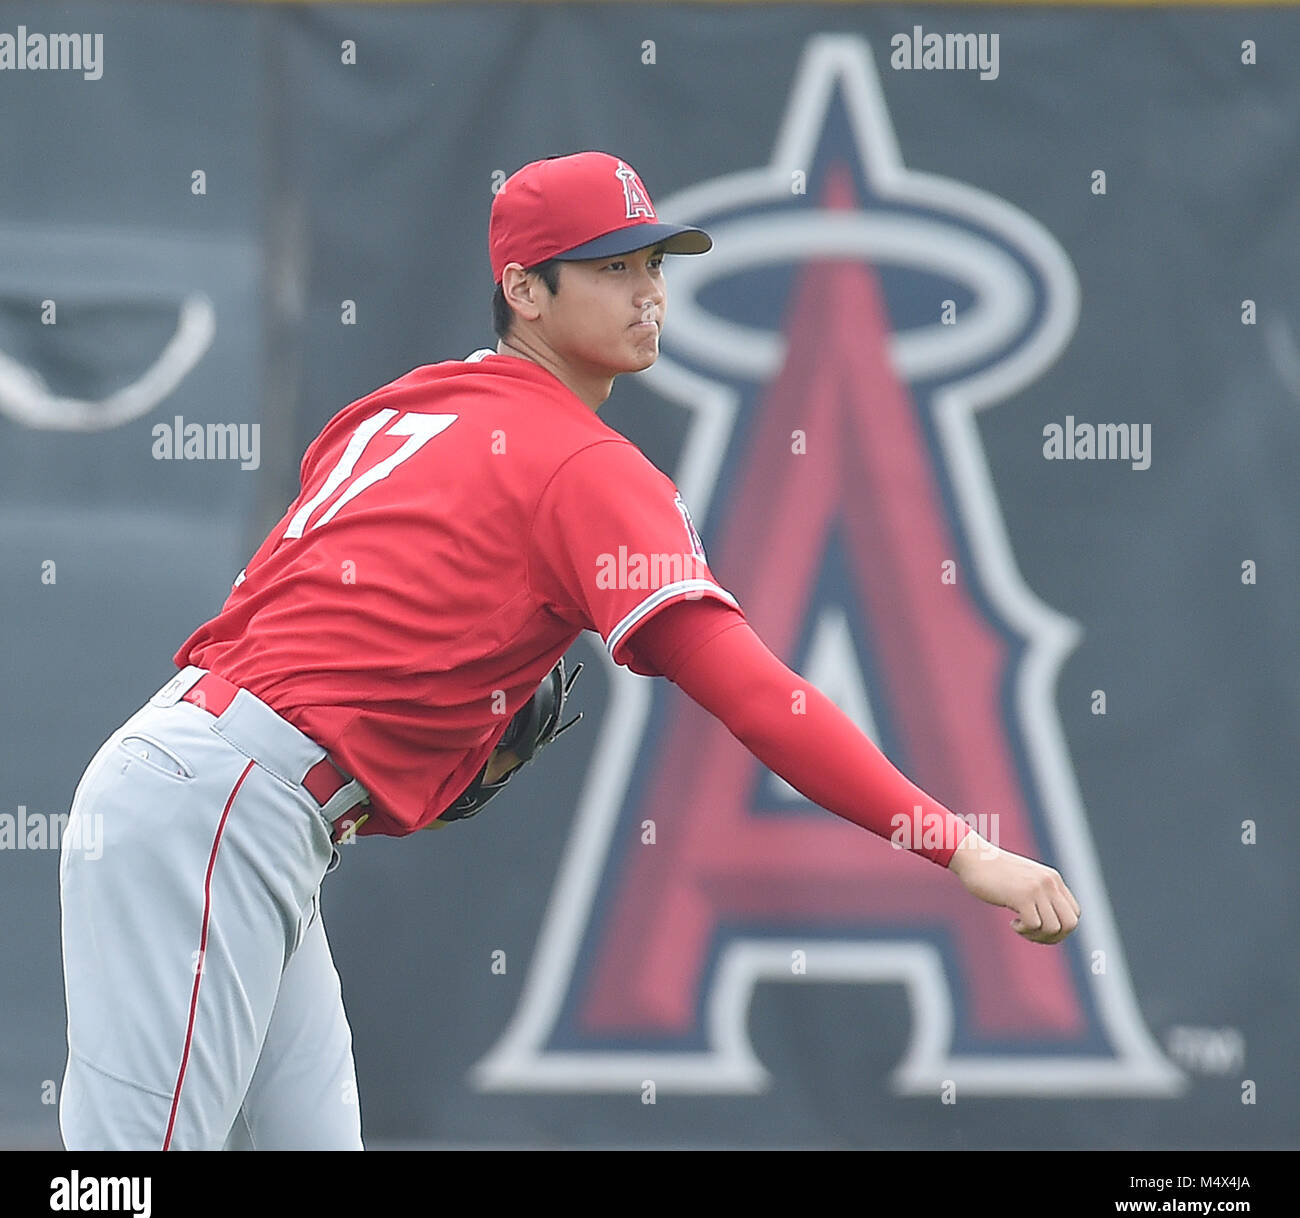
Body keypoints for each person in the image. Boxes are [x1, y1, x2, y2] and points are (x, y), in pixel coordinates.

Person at [58, 151, 1080, 1151]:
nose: (645, 295)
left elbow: (314, 631)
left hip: (228, 790)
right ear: (523, 288)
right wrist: (960, 845)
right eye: (609, 268)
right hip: (224, 807)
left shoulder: (400, 408)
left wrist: (446, 735)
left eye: (653, 266)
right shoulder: (581, 463)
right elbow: (758, 696)